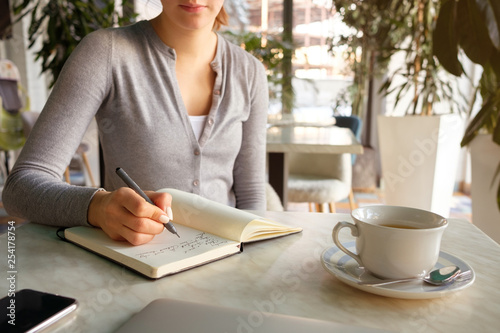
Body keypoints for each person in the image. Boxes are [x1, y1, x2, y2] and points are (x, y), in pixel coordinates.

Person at [2, 1, 268, 245]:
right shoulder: (105, 52)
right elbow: (20, 188)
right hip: (133, 267)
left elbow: (252, 196)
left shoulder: (250, 72)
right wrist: (97, 207)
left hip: (225, 262)